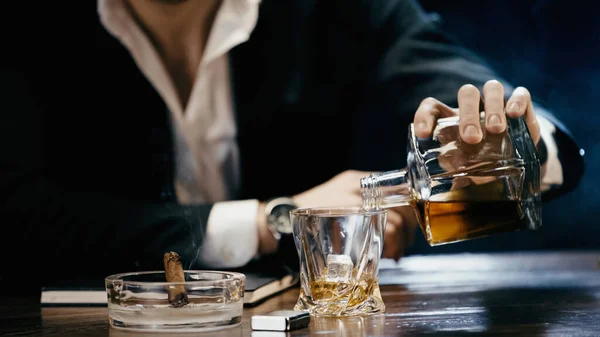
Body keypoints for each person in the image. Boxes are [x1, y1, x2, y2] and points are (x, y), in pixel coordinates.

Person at [0, 0, 583, 291]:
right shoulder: (30, 22)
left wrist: (518, 143)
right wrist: (275, 221)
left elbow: (446, 75)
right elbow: (21, 215)